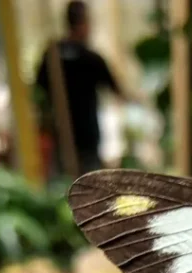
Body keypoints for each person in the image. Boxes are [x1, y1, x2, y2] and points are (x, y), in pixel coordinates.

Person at [35, 0, 126, 176]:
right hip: (84, 136)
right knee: (88, 187)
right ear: (83, 23)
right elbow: (117, 91)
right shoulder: (89, 58)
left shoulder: (53, 55)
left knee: (65, 186)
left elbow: (38, 92)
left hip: (62, 133)